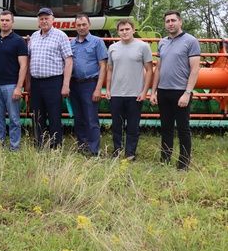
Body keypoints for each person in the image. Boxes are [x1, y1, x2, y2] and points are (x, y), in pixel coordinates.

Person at [150, 10, 200, 170]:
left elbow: (195, 69)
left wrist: (187, 93)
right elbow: (158, 68)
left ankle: (183, 163)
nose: (170, 23)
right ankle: (165, 159)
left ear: (180, 22)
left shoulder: (191, 41)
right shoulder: (162, 42)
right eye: (167, 21)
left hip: (180, 92)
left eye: (173, 20)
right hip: (163, 91)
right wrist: (154, 91)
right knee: (166, 128)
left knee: (183, 129)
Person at [106, 19, 153, 160]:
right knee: (116, 125)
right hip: (116, 93)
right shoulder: (112, 48)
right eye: (121, 30)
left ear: (133, 30)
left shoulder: (143, 47)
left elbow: (149, 70)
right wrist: (108, 89)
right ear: (118, 32)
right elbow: (109, 69)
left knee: (133, 126)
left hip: (135, 94)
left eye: (127, 29)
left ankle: (130, 153)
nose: (124, 32)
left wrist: (145, 91)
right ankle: (117, 150)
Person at [27, 7, 73, 149]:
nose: (44, 21)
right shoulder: (33, 36)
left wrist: (66, 85)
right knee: (37, 115)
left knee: (54, 115)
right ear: (38, 21)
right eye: (41, 18)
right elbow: (28, 60)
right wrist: (28, 83)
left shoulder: (61, 36)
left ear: (53, 20)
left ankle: (55, 146)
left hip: (53, 82)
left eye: (47, 18)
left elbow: (69, 61)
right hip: (36, 82)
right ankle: (39, 145)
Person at [0, 10, 28, 150]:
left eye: (7, 20)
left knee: (14, 118)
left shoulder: (19, 41)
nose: (4, 23)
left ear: (12, 22)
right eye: (2, 20)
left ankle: (14, 147)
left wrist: (18, 87)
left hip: (11, 85)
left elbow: (23, 66)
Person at [69, 14, 107, 156]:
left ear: (89, 25)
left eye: (84, 24)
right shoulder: (71, 43)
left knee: (91, 118)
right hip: (74, 84)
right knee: (78, 118)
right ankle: (82, 146)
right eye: (78, 25)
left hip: (90, 85)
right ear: (75, 26)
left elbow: (103, 66)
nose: (81, 27)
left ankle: (93, 150)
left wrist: (98, 88)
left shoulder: (97, 42)